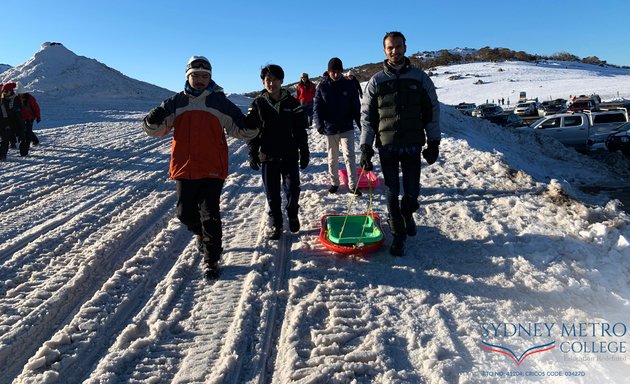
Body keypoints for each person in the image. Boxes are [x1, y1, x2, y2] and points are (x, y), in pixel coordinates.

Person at [142, 55, 258, 278]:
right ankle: (202, 235)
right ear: (188, 76)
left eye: (205, 76)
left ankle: (211, 259)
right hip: (185, 168)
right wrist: (151, 120)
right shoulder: (176, 103)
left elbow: (241, 130)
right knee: (184, 213)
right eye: (196, 76)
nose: (200, 80)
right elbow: (156, 130)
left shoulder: (220, 103)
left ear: (210, 78)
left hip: (213, 167)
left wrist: (253, 125)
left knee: (210, 214)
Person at [359, 31, 441, 256]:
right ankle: (398, 235)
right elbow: (367, 117)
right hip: (387, 145)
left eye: (398, 46)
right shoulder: (376, 81)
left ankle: (408, 213)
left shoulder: (420, 78)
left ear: (405, 47)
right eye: (390, 48)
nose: (394, 51)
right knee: (391, 190)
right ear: (384, 51)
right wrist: (365, 147)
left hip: (413, 144)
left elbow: (431, 110)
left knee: (412, 191)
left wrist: (434, 141)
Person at [246, 64, 309, 240]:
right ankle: (277, 224)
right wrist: (252, 152)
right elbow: (252, 132)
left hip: (289, 153)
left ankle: (292, 213)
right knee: (272, 192)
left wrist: (304, 152)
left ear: (281, 81)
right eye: (268, 80)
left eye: (275, 80)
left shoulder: (292, 103)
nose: (271, 83)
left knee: (292, 188)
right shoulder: (258, 103)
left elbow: (300, 130)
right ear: (263, 81)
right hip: (268, 154)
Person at [314, 57, 362, 195]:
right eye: (333, 72)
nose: (336, 74)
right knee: (332, 157)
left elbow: (355, 107)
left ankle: (353, 185)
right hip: (330, 128)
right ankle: (335, 183)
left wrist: (360, 124)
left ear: (342, 71)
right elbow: (317, 108)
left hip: (346, 126)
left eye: (339, 71)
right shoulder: (322, 87)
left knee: (349, 156)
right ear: (329, 72)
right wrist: (319, 124)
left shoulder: (349, 85)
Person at [0, 82, 27, 161]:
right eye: (4, 91)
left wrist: (16, 111)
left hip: (16, 121)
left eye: (6, 91)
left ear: (11, 91)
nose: (5, 93)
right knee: (5, 139)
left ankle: (24, 152)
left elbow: (21, 110)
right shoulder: (2, 99)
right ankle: (2, 155)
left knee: (22, 136)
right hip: (5, 122)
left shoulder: (16, 99)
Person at [16, 83, 41, 148]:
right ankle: (35, 140)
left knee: (28, 131)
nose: (20, 95)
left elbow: (36, 108)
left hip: (30, 117)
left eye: (21, 94)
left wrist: (38, 117)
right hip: (22, 117)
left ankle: (27, 145)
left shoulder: (30, 98)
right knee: (25, 130)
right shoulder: (17, 98)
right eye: (19, 94)